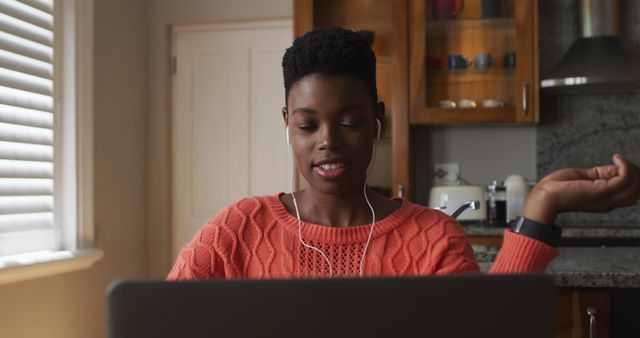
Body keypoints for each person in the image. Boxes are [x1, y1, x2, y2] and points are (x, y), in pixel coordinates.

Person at [167, 27, 640, 280]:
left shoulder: (433, 237)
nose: (327, 140)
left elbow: (486, 330)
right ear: (287, 125)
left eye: (350, 122)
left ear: (378, 120)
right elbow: (163, 323)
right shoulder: (237, 229)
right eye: (307, 124)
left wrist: (542, 205)